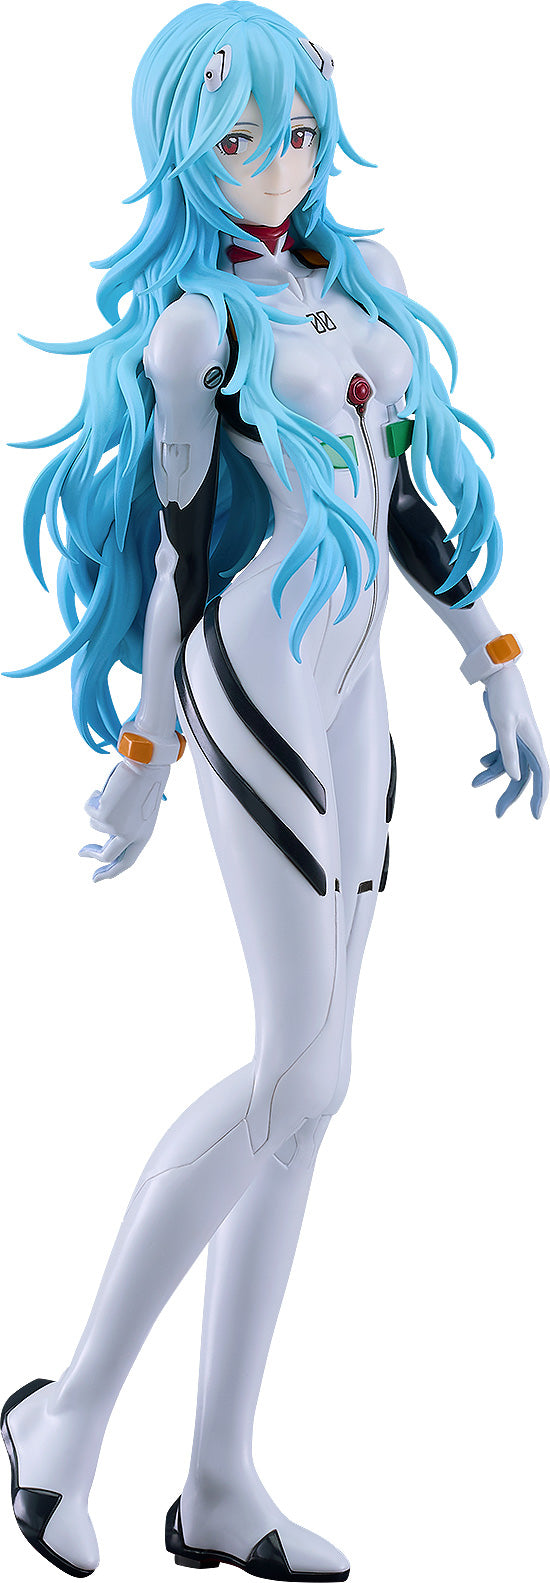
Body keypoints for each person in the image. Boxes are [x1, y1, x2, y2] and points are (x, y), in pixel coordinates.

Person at [2, 6, 547, 1581]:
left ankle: (221, 1480)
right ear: (183, 146)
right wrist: (142, 754)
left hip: (357, 680)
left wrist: (494, 657)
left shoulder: (359, 289)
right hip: (251, 669)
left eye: (295, 132)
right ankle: (65, 1414)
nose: (273, 163)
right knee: (300, 1064)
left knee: (314, 1097)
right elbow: (174, 549)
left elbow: (405, 503)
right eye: (237, 139)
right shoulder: (195, 331)